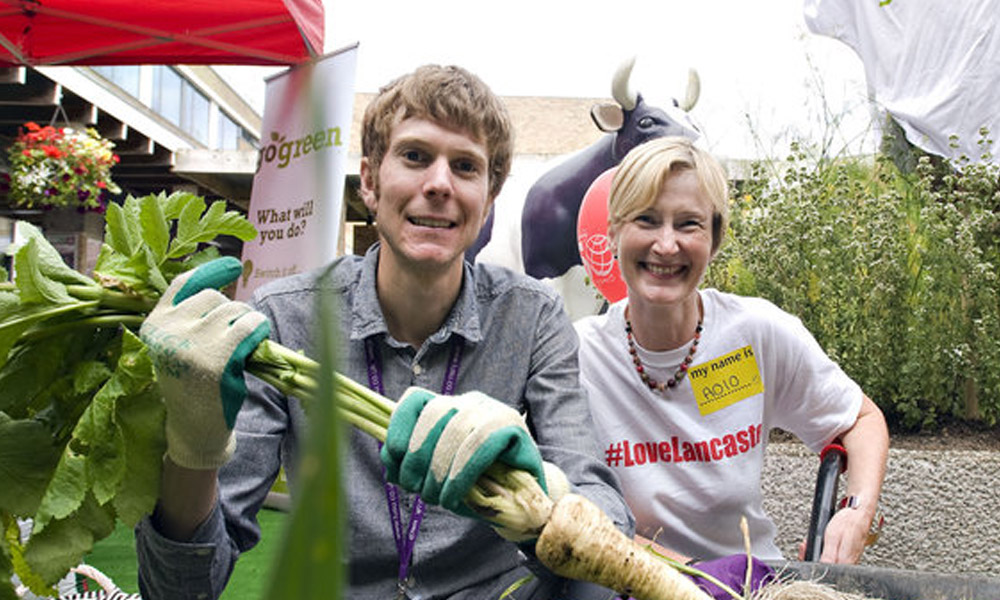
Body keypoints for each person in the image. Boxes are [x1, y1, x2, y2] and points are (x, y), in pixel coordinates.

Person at [133, 64, 636, 600]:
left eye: (465, 166)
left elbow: (605, 515)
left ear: (489, 198)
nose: (439, 184)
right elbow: (179, 591)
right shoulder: (284, 321)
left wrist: (539, 493)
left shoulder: (532, 316)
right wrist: (194, 448)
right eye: (416, 156)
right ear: (370, 182)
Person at [575, 136, 890, 566]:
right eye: (646, 220)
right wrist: (687, 580)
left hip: (751, 583)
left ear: (716, 237)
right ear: (613, 231)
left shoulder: (755, 334)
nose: (666, 245)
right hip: (630, 581)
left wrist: (855, 515)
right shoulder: (578, 357)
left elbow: (860, 419)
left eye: (689, 224)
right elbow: (562, 504)